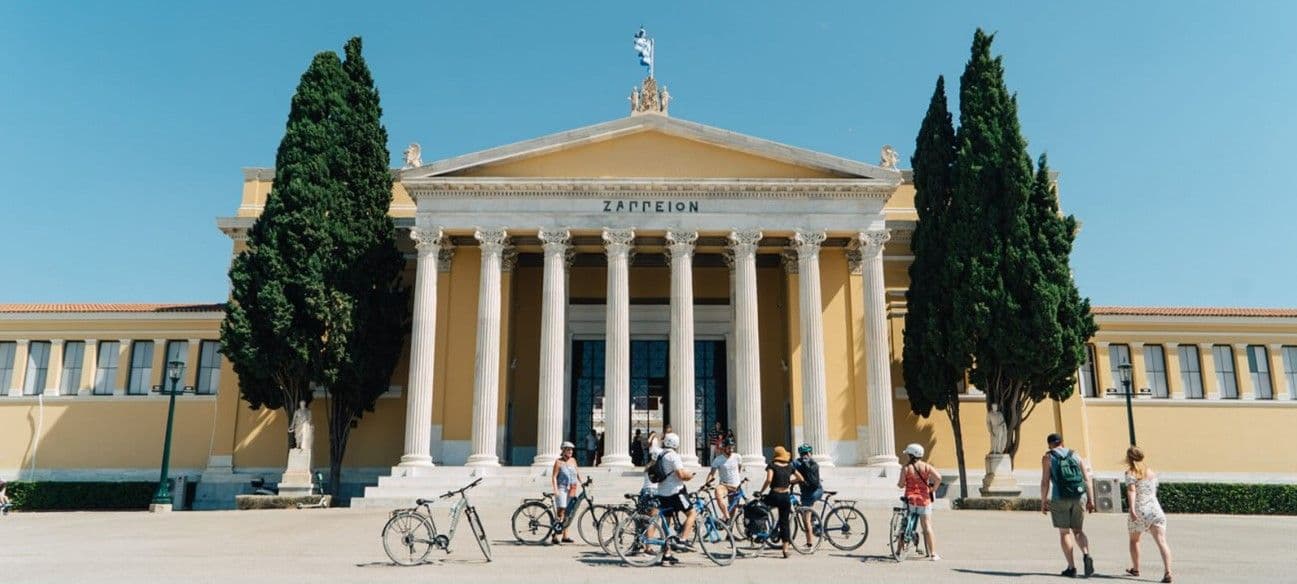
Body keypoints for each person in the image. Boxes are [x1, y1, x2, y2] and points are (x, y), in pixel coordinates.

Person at [1040, 433, 1097, 578]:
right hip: (1079, 496)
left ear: (1049, 444)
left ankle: (1071, 567)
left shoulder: (1048, 457)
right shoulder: (1075, 455)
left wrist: (1043, 501)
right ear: (1062, 443)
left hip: (1060, 497)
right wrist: (1091, 500)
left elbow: (1045, 481)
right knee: (1078, 530)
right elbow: (1087, 479)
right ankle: (1086, 554)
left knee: (1064, 532)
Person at [1124, 446, 1173, 583]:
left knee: (1134, 540)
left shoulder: (1130, 473)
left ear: (1129, 458)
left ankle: (1136, 568)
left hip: (1141, 510)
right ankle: (1168, 572)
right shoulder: (1151, 472)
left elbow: (1132, 492)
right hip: (1156, 510)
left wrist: (1132, 509)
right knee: (1162, 542)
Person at [655, 432, 696, 566]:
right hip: (676, 492)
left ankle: (666, 554)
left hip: (662, 492)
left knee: (666, 523)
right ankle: (683, 540)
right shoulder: (674, 456)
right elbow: (680, 474)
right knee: (692, 513)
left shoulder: (660, 454)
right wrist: (689, 476)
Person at [896, 443, 942, 561]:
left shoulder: (906, 468)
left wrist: (902, 483)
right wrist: (933, 489)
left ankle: (898, 551)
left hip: (910, 500)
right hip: (924, 500)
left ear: (911, 455)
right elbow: (938, 477)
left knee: (904, 525)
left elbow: (901, 485)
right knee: (927, 526)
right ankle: (933, 554)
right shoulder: (926, 467)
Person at [760, 446, 803, 558]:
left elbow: (769, 480)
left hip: (774, 495)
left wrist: (761, 491)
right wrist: (789, 481)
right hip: (785, 496)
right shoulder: (790, 466)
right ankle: (785, 549)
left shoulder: (772, 465)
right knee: (784, 523)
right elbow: (801, 478)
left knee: (761, 509)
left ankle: (761, 532)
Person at [793, 443, 825, 551]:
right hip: (818, 490)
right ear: (810, 453)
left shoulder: (799, 463)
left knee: (805, 518)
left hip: (810, 493)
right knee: (808, 513)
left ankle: (810, 544)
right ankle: (814, 521)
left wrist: (789, 481)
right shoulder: (814, 463)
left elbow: (800, 478)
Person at [705, 436, 743, 522]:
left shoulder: (738, 457)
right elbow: (712, 473)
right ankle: (726, 516)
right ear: (724, 448)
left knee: (733, 509)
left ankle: (729, 531)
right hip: (724, 485)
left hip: (735, 485)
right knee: (717, 492)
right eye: (729, 447)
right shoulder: (718, 460)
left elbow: (739, 469)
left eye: (732, 447)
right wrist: (707, 482)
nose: (731, 450)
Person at [550, 441, 581, 545]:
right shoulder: (558, 462)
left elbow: (577, 473)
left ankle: (565, 536)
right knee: (561, 510)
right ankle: (555, 535)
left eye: (571, 450)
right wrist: (556, 490)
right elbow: (554, 477)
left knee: (568, 513)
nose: (571, 451)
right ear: (563, 451)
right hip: (562, 488)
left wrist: (583, 482)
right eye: (568, 450)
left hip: (572, 489)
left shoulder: (573, 461)